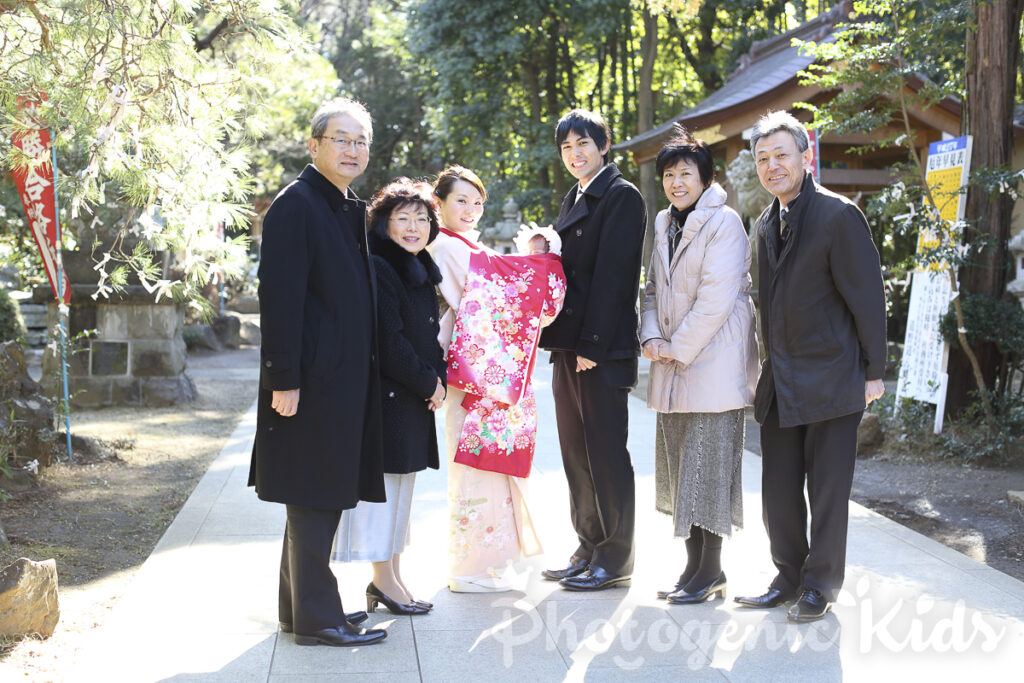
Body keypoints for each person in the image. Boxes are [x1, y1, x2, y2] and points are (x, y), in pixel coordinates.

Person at [734, 110, 886, 622]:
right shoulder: (764, 221)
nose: (772, 165)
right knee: (778, 489)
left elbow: (868, 299)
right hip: (781, 381)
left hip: (833, 376)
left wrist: (875, 371)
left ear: (805, 156)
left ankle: (820, 584)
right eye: (763, 158)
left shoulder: (838, 215)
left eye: (781, 155)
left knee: (827, 492)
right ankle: (788, 574)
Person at [248, 97, 387, 647]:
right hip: (308, 383)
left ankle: (300, 610)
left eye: (361, 141)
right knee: (312, 496)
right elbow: (278, 299)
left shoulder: (343, 206)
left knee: (319, 494)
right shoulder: (297, 205)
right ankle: (317, 618)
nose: (353, 149)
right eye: (341, 139)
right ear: (314, 145)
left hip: (337, 383)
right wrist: (283, 378)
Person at [639, 128, 758, 605]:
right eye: (668, 174)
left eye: (686, 172)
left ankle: (711, 572)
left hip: (711, 366)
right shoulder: (665, 222)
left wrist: (672, 348)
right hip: (673, 363)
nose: (676, 182)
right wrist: (649, 335)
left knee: (707, 468)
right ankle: (694, 569)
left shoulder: (724, 222)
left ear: (707, 178)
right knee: (681, 466)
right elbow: (650, 289)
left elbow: (715, 299)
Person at [428, 166, 561, 593]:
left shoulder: (466, 245)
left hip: (482, 373)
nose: (470, 209)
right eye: (460, 201)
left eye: (476, 201)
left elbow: (501, 285)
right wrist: (546, 263)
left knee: (489, 467)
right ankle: (468, 567)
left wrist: (531, 258)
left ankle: (484, 563)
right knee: (474, 468)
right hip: (472, 376)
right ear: (440, 204)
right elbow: (502, 293)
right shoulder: (444, 245)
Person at [539, 108, 647, 591]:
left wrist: (593, 344)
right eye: (566, 147)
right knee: (574, 451)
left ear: (604, 145)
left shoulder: (621, 196)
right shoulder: (574, 196)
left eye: (583, 143)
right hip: (569, 346)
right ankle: (588, 544)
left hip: (599, 347)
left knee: (605, 453)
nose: (575, 153)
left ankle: (616, 556)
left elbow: (614, 278)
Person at [331, 178, 446, 617]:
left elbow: (428, 336)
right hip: (391, 397)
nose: (413, 226)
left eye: (421, 218)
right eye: (403, 218)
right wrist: (428, 384)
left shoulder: (418, 265)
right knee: (386, 491)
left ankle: (392, 576)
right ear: (384, 224)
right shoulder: (381, 266)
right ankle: (382, 579)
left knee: (403, 491)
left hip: (413, 395)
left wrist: (438, 379)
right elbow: (391, 342)